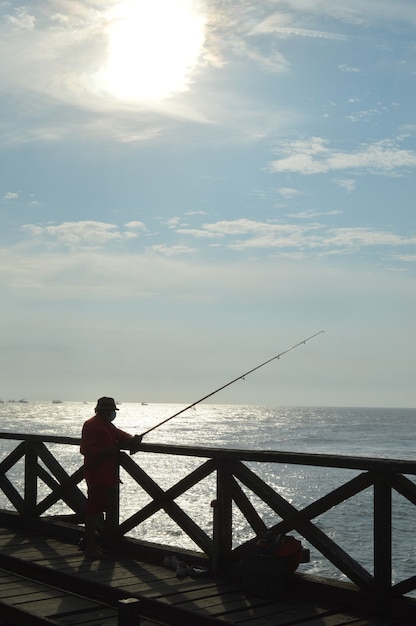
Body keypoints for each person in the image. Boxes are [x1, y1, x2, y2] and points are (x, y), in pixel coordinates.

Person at [80, 397, 142, 559]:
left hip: (107, 474)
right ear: (104, 411)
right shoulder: (91, 424)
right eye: (111, 411)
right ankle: (90, 548)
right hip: (96, 473)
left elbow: (122, 437)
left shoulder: (107, 425)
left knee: (100, 508)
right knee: (93, 510)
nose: (113, 413)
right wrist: (105, 450)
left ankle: (96, 544)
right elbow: (85, 449)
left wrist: (133, 440)